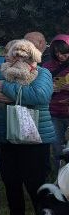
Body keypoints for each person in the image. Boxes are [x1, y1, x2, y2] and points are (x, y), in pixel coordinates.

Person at [0, 39, 55, 215]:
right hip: (7, 136)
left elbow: (39, 96)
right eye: (12, 53)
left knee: (36, 185)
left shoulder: (42, 74)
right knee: (11, 181)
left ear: (30, 55)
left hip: (35, 138)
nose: (15, 57)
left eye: (20, 53)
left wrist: (5, 88)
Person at [45, 35, 69, 173]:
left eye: (64, 52)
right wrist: (52, 87)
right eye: (57, 53)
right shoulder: (47, 66)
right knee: (56, 146)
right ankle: (59, 176)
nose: (60, 56)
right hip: (54, 112)